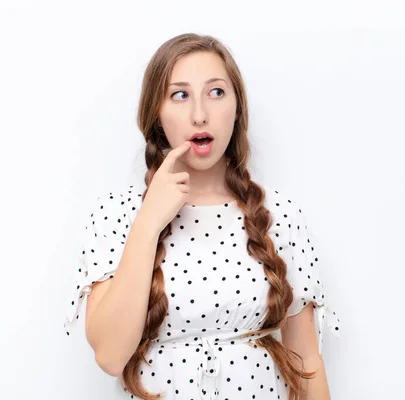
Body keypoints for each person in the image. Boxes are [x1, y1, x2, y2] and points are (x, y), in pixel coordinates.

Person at [63, 33, 341, 400]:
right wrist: (148, 222)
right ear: (156, 115)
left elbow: (306, 361)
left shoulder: (279, 215)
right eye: (180, 95)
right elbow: (111, 356)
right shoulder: (117, 213)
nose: (199, 114)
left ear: (237, 107)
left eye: (216, 92)